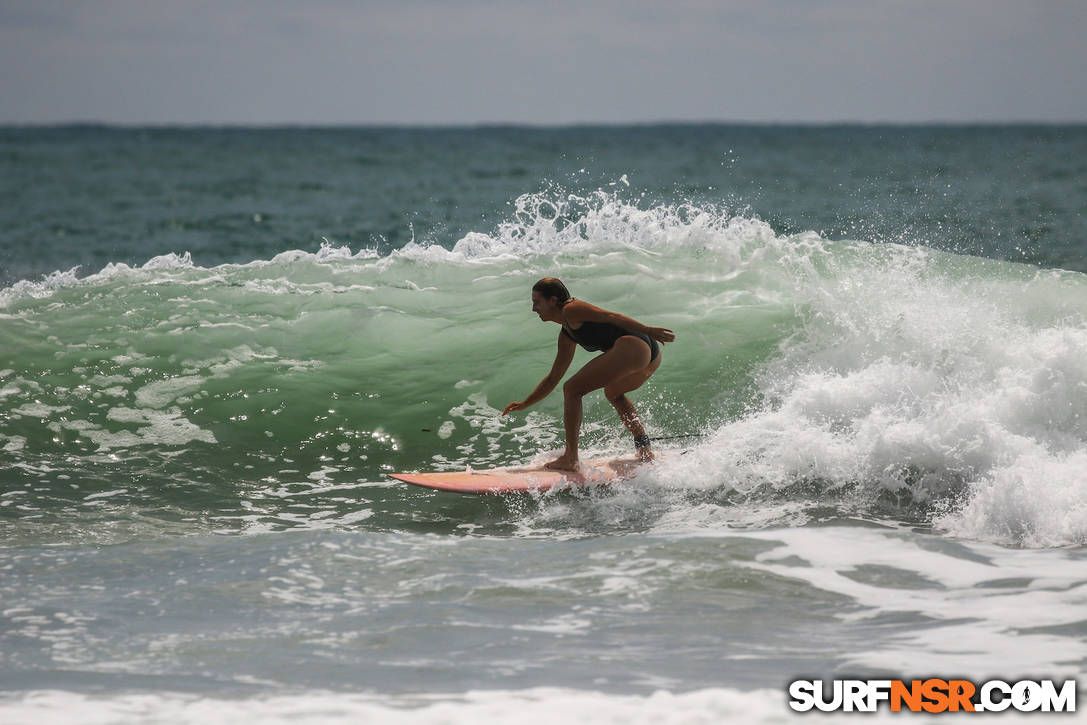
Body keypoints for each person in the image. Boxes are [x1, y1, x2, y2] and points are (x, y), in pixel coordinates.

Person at [502, 277, 675, 471]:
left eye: (536, 302)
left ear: (552, 300)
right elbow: (553, 378)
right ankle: (644, 448)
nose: (534, 308)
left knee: (572, 389)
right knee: (613, 393)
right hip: (648, 355)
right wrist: (526, 403)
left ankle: (570, 458)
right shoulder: (567, 334)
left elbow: (611, 317)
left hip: (634, 345)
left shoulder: (571, 309)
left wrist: (648, 329)